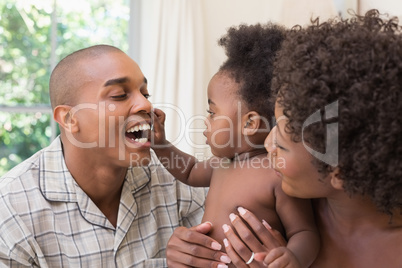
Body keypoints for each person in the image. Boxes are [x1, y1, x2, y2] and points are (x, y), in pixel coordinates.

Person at [0, 44, 215, 267]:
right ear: (70, 119)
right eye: (119, 95)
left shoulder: (176, 182)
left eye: (145, 93)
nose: (146, 104)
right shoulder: (10, 212)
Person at [221, 9, 402, 267]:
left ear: (340, 172)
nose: (267, 144)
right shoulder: (279, 211)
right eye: (274, 125)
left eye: (282, 143)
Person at [153, 23, 320, 267]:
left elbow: (305, 233)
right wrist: (160, 144)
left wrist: (293, 257)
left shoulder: (278, 173)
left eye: (211, 112)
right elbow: (188, 172)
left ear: (250, 123)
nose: (206, 122)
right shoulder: (222, 164)